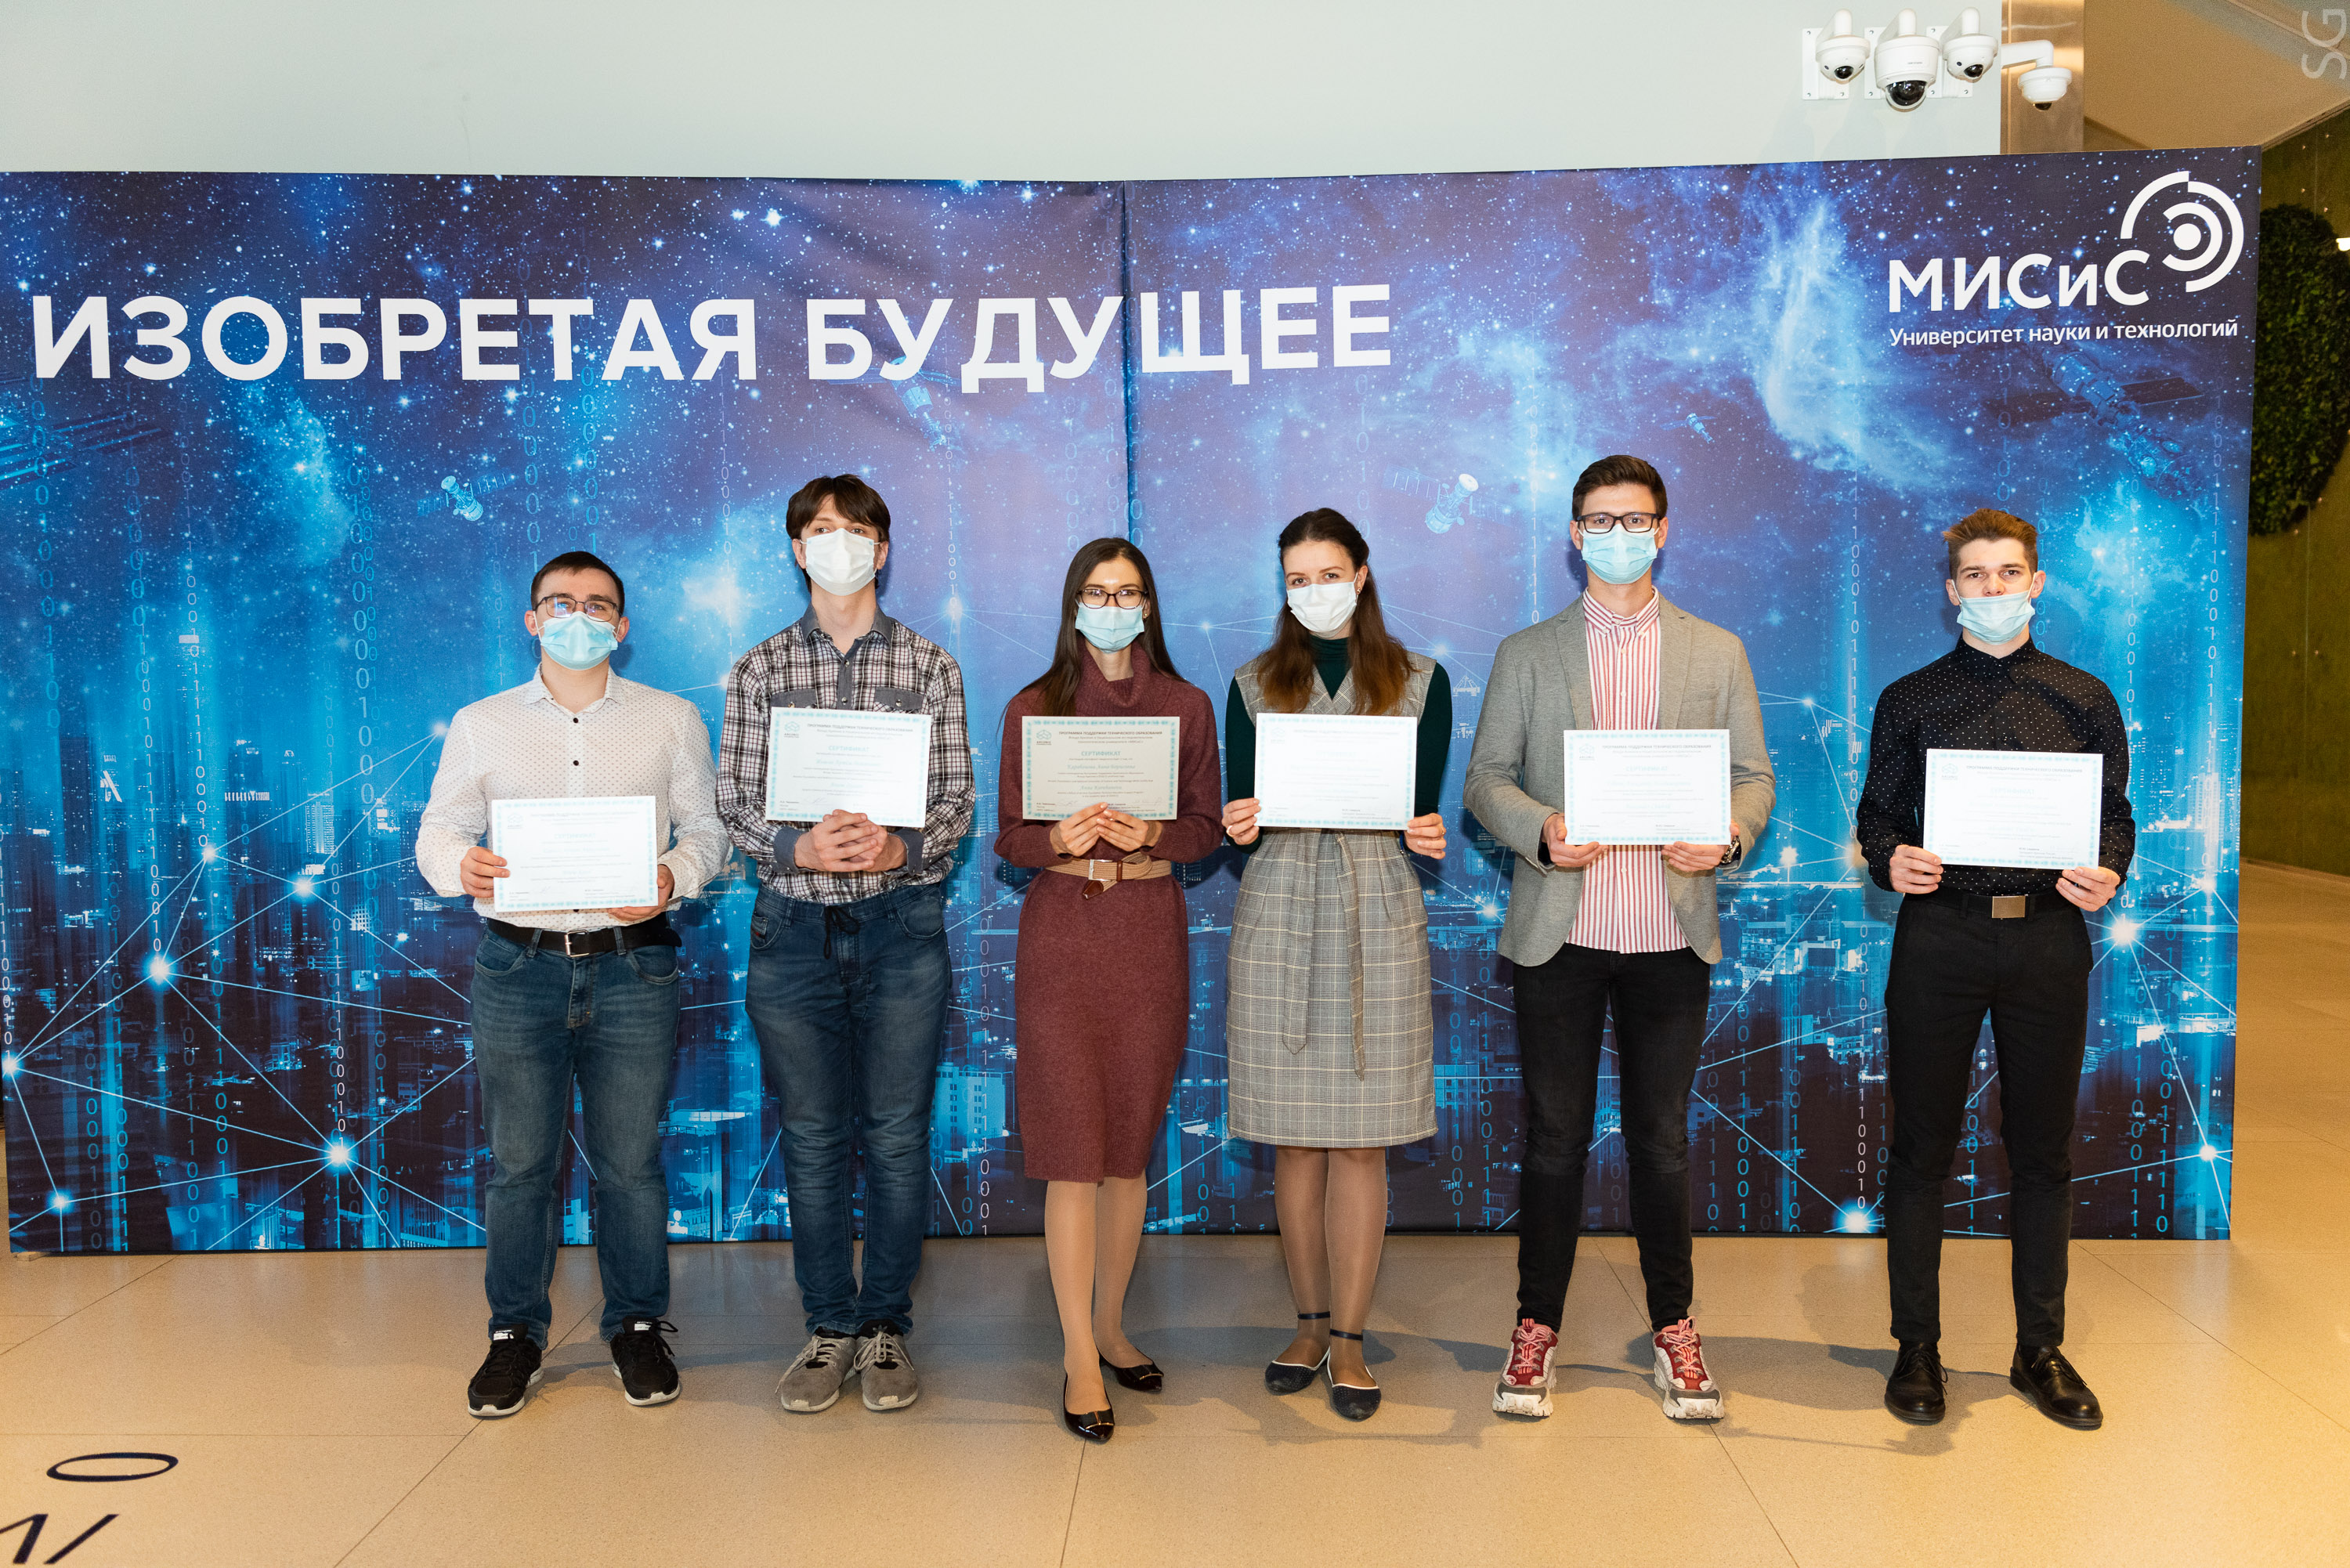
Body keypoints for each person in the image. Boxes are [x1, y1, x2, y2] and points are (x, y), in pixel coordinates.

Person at [1463, 453, 1776, 1423]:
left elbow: (1754, 779)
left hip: (1670, 935)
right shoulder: (1528, 652)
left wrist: (1728, 834)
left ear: (1663, 530)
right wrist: (1542, 830)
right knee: (1555, 1140)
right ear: (1574, 534)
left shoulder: (1716, 651)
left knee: (1662, 1141)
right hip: (1560, 935)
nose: (1618, 535)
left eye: (1635, 519)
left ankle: (1674, 1325)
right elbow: (1485, 781)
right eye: (1599, 520)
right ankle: (1536, 1326)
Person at [417, 549, 728, 1418]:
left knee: (630, 1163)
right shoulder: (481, 723)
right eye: (560, 603)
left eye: (597, 605)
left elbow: (708, 831)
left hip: (634, 965)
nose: (578, 617)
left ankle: (637, 1324)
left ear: (621, 626)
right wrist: (459, 864)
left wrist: (671, 876)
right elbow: (438, 830)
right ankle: (514, 1333)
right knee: (521, 1164)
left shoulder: (670, 718)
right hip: (518, 967)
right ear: (533, 619)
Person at [1856, 508, 2131, 1430]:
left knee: (2044, 1151)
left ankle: (2039, 1349)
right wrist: (1889, 857)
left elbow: (2115, 815)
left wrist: (2110, 867)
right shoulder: (1910, 698)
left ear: (2036, 582)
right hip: (1940, 936)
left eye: (2009, 573)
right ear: (1952, 591)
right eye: (1975, 575)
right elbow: (1877, 814)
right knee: (1921, 1148)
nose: (1993, 589)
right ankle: (1916, 1347)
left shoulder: (2085, 697)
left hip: (2049, 938)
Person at [716, 475, 974, 1415]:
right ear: (797, 549)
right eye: (823, 530)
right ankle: (828, 1325)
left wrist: (903, 846)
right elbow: (734, 798)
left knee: (898, 1138)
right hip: (792, 929)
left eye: (857, 529)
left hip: (901, 925)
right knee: (815, 1137)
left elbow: (956, 798)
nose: (841, 544)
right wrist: (797, 845)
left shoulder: (931, 665)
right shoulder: (758, 669)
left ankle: (885, 1326)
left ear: (883, 548)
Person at [1221, 508, 1449, 1423]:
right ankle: (1308, 1324)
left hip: (1376, 906)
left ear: (1361, 574)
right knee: (1294, 1136)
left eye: (1327, 573)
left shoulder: (1421, 680)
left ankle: (1351, 1338)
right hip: (1280, 906)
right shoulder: (1252, 682)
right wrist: (1239, 823)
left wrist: (1426, 831)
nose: (1313, 590)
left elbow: (1418, 806)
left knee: (1361, 1137)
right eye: (1296, 577)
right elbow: (1242, 813)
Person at [993, 539, 1223, 1443]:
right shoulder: (1032, 707)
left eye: (1128, 593)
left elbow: (1206, 830)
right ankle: (1078, 1354)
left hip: (1147, 932)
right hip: (1062, 935)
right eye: (1097, 591)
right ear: (1073, 604)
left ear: (1150, 605)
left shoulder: (1186, 704)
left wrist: (1153, 831)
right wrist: (1058, 837)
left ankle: (1114, 1324)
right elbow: (1009, 838)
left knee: (1127, 1148)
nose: (1113, 606)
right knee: (1072, 1151)